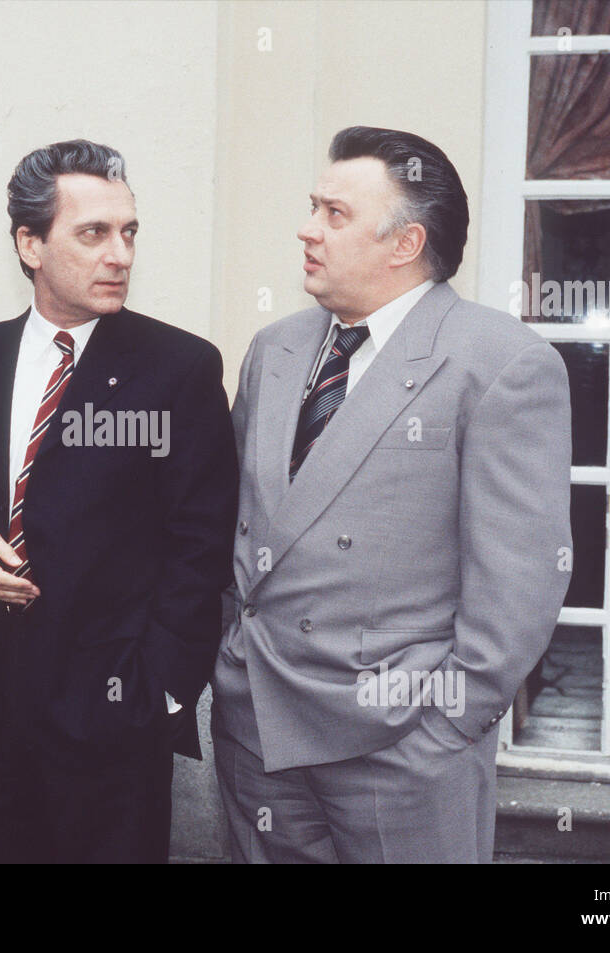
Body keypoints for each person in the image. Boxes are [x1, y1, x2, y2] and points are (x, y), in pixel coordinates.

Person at [212, 126, 572, 863]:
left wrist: (445, 727)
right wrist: (229, 675)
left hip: (404, 749)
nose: (307, 229)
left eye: (334, 214)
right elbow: (238, 529)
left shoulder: (501, 363)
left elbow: (522, 578)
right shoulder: (274, 350)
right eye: (313, 206)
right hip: (258, 735)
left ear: (404, 244)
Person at [0, 139, 237, 863]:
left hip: (115, 735)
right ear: (30, 243)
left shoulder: (179, 369)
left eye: (129, 231)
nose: (120, 254)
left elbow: (202, 546)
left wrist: (162, 696)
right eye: (93, 233)